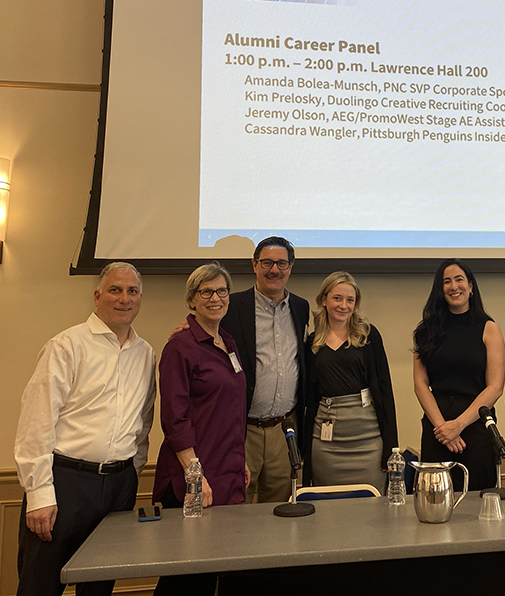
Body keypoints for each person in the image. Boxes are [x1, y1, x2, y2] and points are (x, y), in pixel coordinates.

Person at [14, 263, 155, 596]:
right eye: (115, 290)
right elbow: (37, 421)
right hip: (65, 485)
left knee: (99, 588)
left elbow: (143, 421)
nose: (124, 299)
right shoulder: (66, 346)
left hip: (119, 486)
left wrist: (131, 473)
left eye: (132, 291)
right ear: (97, 296)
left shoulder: (145, 353)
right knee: (40, 585)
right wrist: (39, 494)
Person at [152, 262, 249, 596]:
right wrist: (196, 475)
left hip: (227, 469)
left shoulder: (229, 342)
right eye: (205, 291)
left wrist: (242, 460)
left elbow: (231, 409)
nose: (215, 297)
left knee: (216, 568)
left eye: (221, 290)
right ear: (191, 300)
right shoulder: (180, 347)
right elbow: (174, 419)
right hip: (193, 478)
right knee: (186, 575)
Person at [220, 236, 310, 502]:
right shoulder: (231, 306)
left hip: (284, 431)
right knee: (236, 508)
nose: (275, 270)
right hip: (242, 430)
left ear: (291, 267)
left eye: (282, 263)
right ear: (255, 265)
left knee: (278, 512)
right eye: (267, 262)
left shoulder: (301, 307)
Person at [412, 259, 505, 491]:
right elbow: (420, 383)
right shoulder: (425, 330)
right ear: (440, 289)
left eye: (459, 280)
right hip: (437, 428)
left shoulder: (488, 327)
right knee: (434, 501)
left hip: (475, 427)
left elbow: (495, 387)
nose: (454, 286)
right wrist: (444, 428)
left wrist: (459, 425)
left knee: (477, 502)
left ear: (471, 286)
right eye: (446, 282)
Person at [302, 272, 397, 490]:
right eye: (337, 298)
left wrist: (391, 446)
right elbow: (309, 398)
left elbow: (385, 392)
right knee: (328, 511)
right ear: (323, 300)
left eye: (350, 300)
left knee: (371, 509)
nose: (343, 305)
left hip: (367, 437)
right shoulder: (312, 342)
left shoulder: (369, 336)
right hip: (326, 443)